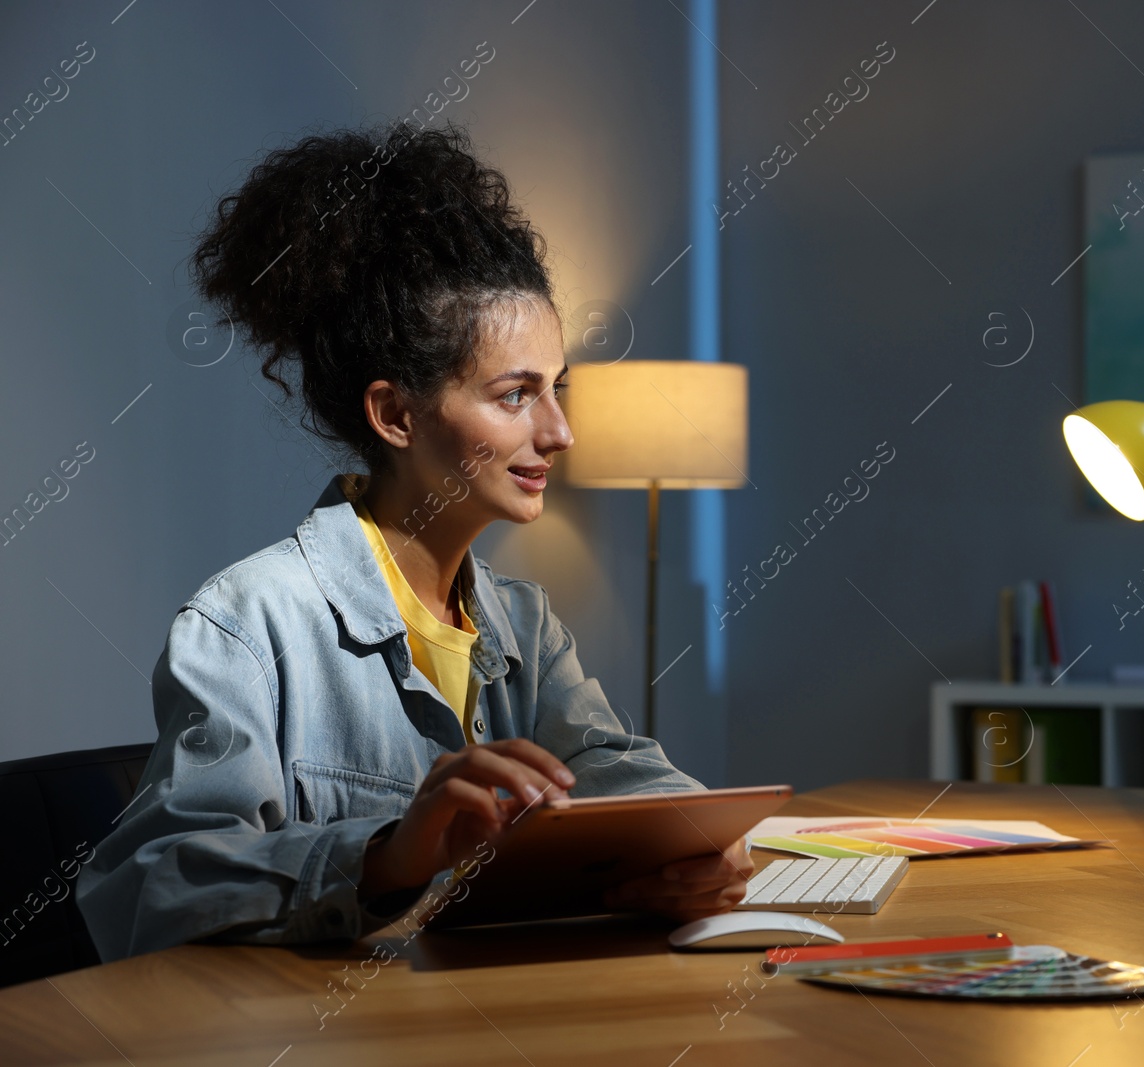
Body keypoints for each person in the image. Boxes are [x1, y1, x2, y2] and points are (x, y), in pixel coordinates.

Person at [77, 124, 751, 962]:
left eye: (557, 390)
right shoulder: (247, 623)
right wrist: (389, 855)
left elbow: (613, 767)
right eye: (516, 396)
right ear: (395, 415)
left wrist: (700, 844)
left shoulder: (524, 626)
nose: (562, 431)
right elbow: (151, 885)